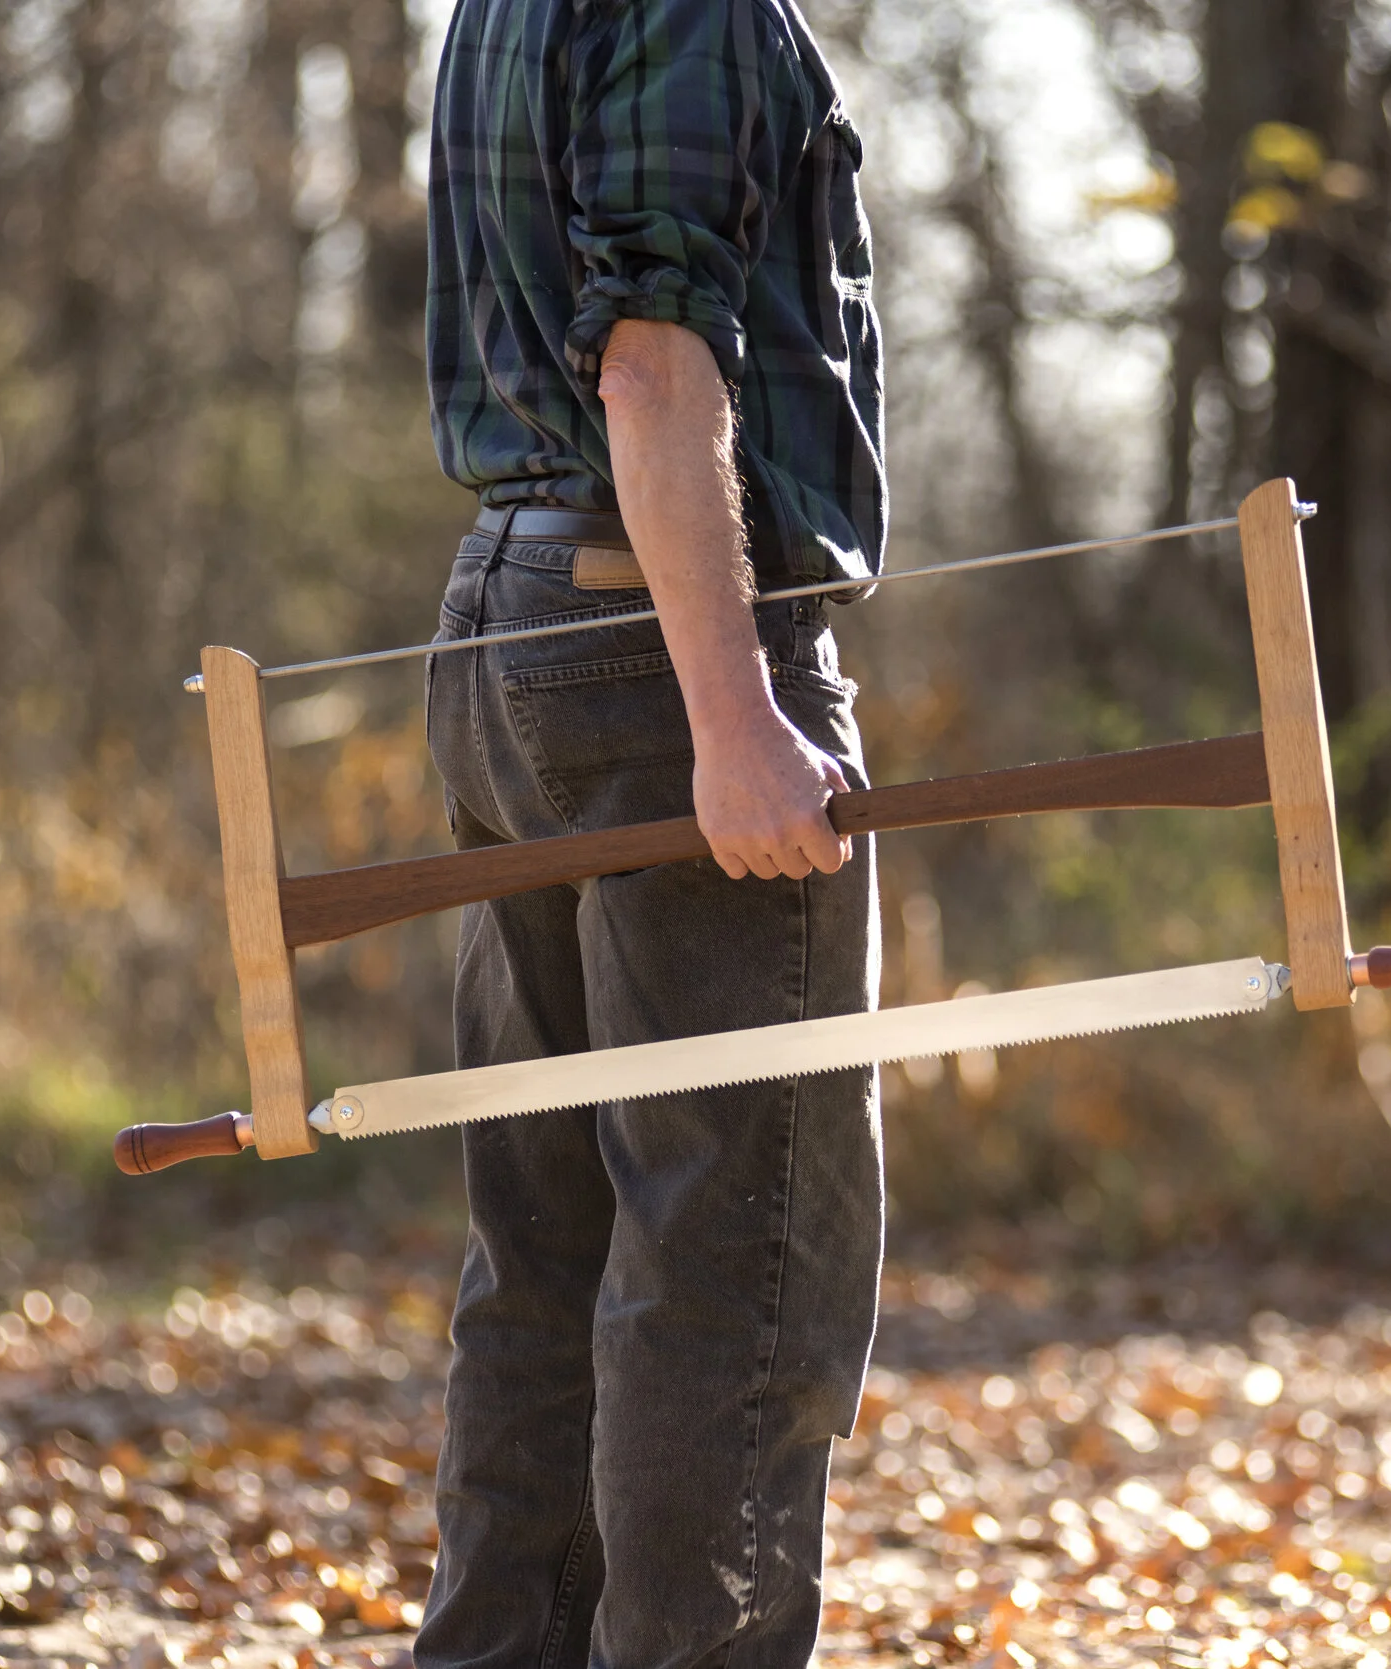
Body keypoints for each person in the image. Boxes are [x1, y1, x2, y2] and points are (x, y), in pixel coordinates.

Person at [411, 0, 886, 1660]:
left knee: (548, 1247)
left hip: (517, 618)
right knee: (733, 1261)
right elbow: (647, 358)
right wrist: (737, 715)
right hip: (647, 641)